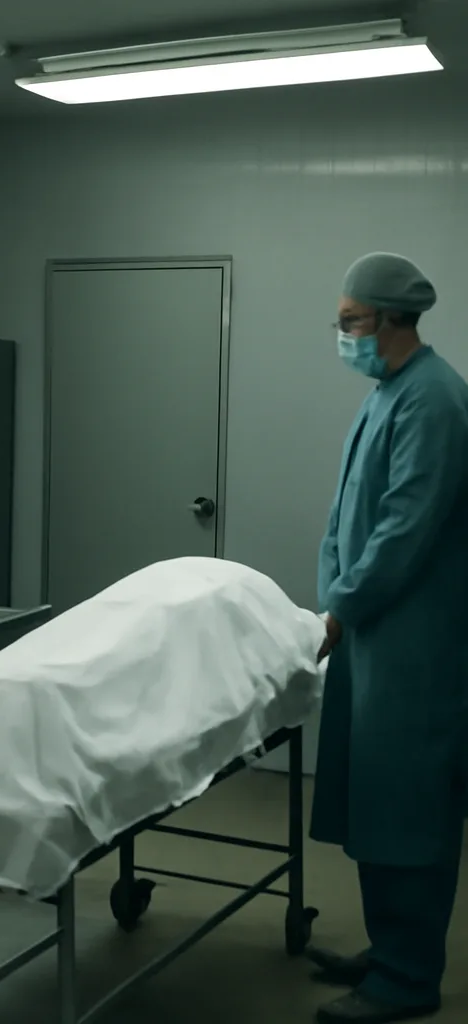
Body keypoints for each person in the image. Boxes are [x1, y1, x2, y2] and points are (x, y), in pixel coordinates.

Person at [309, 253, 468, 1024]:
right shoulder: (388, 394)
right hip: (375, 633)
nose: (343, 338)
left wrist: (344, 608)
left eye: (350, 323)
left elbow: (405, 527)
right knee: (376, 797)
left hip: (416, 647)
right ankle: (390, 947)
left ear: (392, 320)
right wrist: (334, 596)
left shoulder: (434, 400)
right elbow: (349, 516)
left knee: (408, 803)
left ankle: (408, 979)